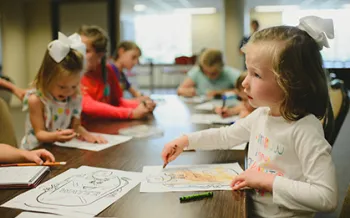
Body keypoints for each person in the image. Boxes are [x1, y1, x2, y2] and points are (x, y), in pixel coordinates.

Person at [162, 16, 337, 217]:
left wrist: (265, 180)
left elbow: (326, 196)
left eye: (256, 75)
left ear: (289, 82)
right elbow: (226, 136)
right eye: (248, 71)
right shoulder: (262, 115)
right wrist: (186, 141)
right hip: (250, 209)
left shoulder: (304, 129)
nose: (244, 83)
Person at [21, 32, 106, 150]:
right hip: (35, 151)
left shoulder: (75, 97)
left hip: (58, 148)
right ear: (47, 78)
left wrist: (88, 135)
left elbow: (76, 126)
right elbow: (39, 133)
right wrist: (55, 136)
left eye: (74, 86)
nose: (68, 92)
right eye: (62, 87)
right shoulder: (36, 100)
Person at [78, 25, 155, 121]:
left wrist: (143, 106)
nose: (79, 54)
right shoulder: (75, 74)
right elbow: (87, 104)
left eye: (86, 51)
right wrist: (130, 113)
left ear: (100, 54)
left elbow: (116, 101)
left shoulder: (107, 71)